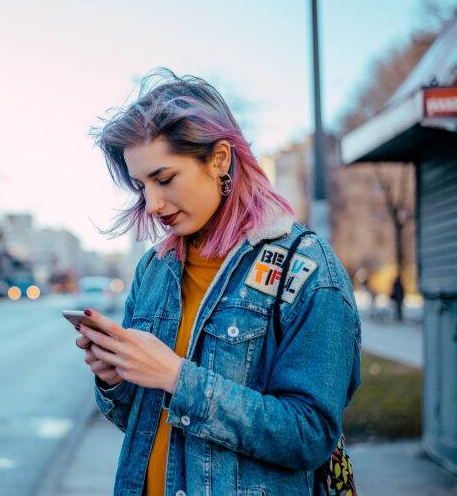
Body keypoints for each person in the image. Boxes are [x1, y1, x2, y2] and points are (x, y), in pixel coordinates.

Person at [75, 69, 361, 496]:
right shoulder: (155, 270)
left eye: (164, 178)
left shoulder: (307, 270)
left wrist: (177, 377)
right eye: (141, 185)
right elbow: (136, 423)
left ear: (220, 159)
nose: (152, 204)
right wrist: (114, 379)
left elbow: (310, 435)